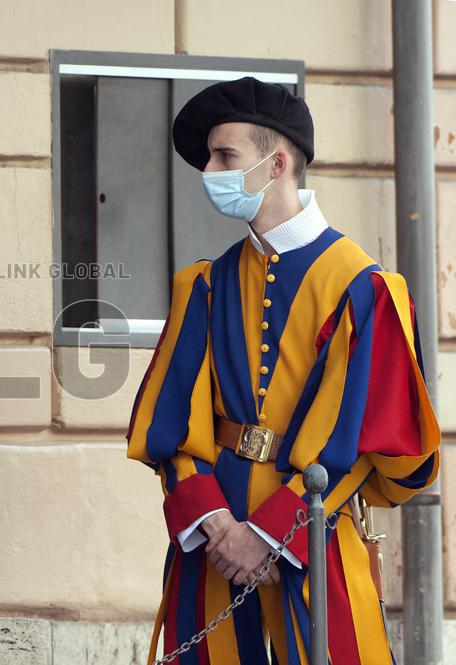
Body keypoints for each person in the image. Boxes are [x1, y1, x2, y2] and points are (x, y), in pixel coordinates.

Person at [127, 77, 440, 665]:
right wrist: (219, 528)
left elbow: (365, 436)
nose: (209, 172)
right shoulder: (205, 284)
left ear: (277, 164)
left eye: (225, 157)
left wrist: (269, 534)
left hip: (315, 534)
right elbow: (171, 425)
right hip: (214, 544)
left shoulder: (363, 288)